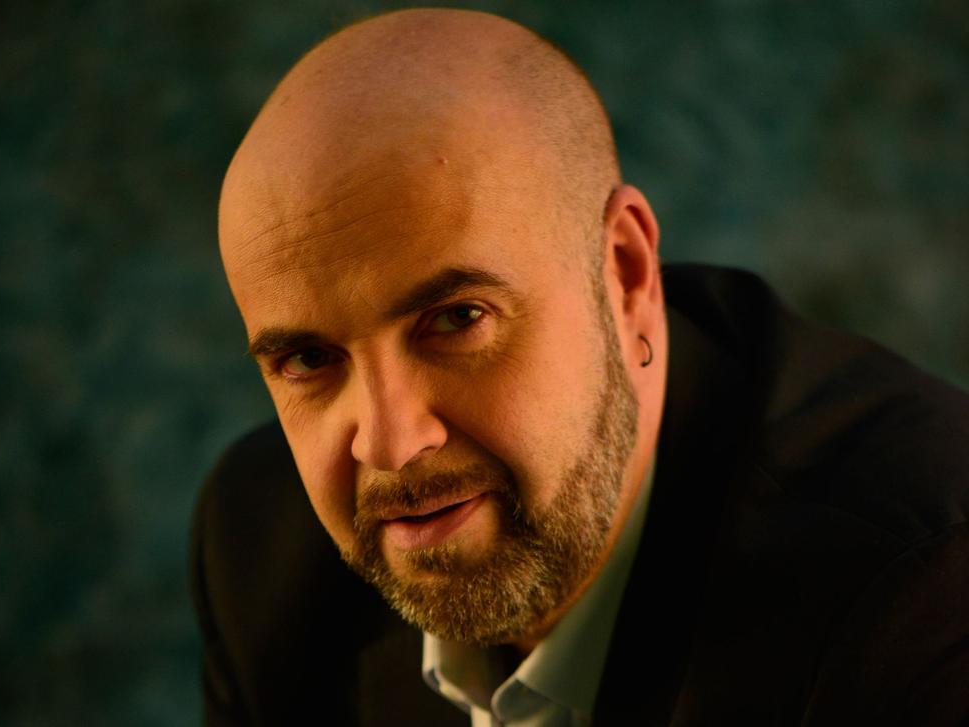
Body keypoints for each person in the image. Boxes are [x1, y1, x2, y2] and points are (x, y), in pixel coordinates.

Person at [190, 8, 969, 726]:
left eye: (457, 319)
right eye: (308, 359)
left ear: (625, 272)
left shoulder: (924, 596)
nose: (391, 443)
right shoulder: (260, 553)